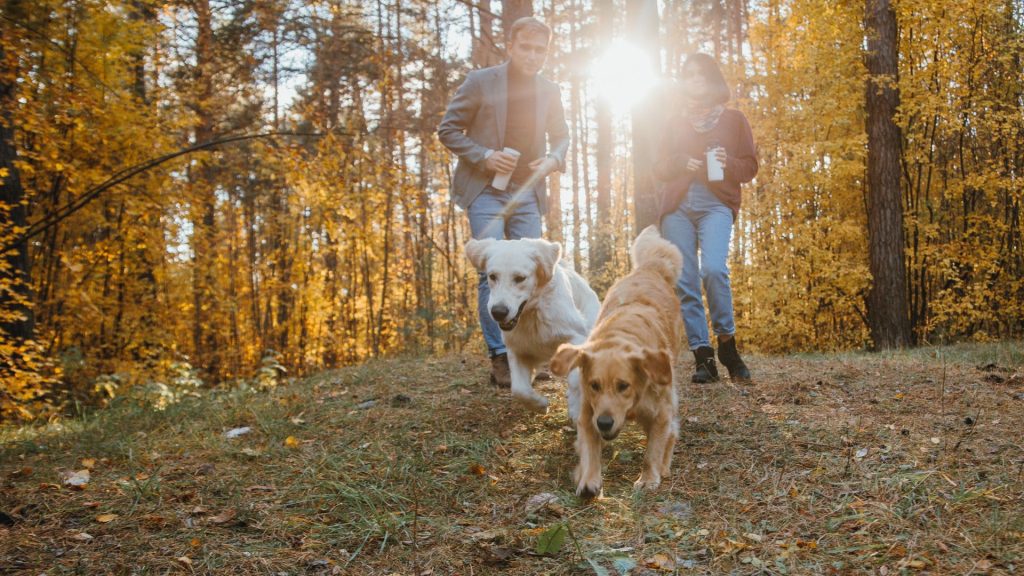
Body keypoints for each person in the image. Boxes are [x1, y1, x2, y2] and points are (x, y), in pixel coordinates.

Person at [437, 16, 570, 388]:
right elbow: (448, 129)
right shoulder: (482, 81)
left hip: (527, 192)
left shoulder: (550, 90)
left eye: (539, 49)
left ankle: (531, 355)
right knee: (491, 272)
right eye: (525, 47)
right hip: (485, 190)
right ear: (510, 46)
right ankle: (501, 358)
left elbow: (562, 137)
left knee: (535, 273)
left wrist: (553, 161)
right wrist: (483, 155)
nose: (532, 55)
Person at [653, 53, 758, 383]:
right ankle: (703, 357)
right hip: (678, 206)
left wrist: (727, 163)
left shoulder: (734, 120)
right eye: (688, 75)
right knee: (686, 282)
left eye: (700, 75)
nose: (694, 80)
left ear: (713, 80)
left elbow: (750, 167)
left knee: (713, 269)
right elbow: (658, 168)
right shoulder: (672, 121)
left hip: (717, 204)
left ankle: (727, 344)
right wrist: (679, 162)